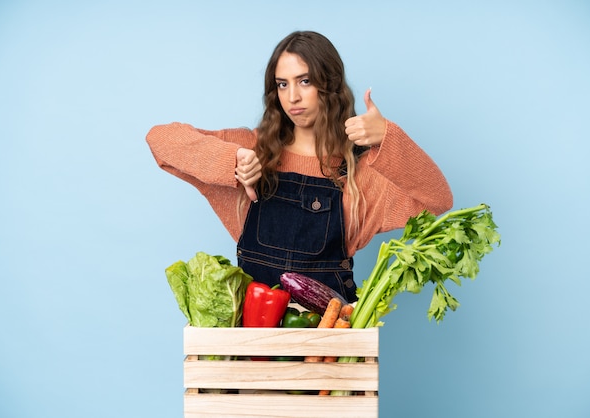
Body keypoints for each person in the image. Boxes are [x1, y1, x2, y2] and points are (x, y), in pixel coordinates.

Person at [146, 31, 452, 302]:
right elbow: (160, 139)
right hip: (255, 343)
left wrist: (387, 136)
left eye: (304, 81)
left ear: (329, 84)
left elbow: (438, 200)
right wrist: (232, 161)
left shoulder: (362, 173)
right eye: (282, 84)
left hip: (330, 344)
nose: (292, 97)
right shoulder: (253, 152)